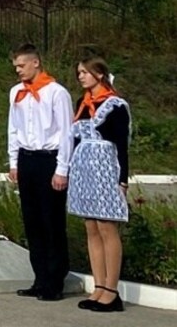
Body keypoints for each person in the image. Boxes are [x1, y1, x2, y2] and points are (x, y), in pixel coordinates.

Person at [6, 43, 73, 302]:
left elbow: (66, 132)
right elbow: (13, 128)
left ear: (36, 63)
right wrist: (14, 162)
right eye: (16, 66)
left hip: (49, 159)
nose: (18, 70)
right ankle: (40, 278)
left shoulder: (57, 93)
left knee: (51, 221)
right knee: (32, 220)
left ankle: (55, 281)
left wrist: (62, 168)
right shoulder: (17, 93)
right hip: (27, 158)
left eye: (22, 65)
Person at [68, 57, 129, 313]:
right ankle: (99, 285)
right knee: (91, 226)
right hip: (84, 169)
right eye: (79, 72)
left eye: (85, 72)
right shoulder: (82, 103)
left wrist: (123, 179)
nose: (81, 76)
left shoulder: (116, 105)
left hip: (105, 167)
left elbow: (122, 145)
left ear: (100, 74)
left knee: (106, 226)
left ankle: (112, 291)